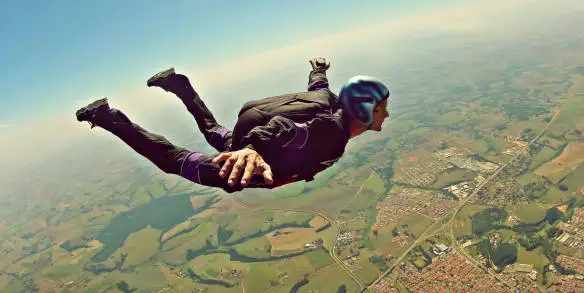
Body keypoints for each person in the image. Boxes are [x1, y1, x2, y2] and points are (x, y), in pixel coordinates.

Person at [75, 58, 390, 193]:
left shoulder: (330, 103)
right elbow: (285, 129)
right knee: (173, 160)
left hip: (245, 145)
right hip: (243, 164)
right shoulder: (332, 134)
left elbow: (317, 88)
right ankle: (106, 117)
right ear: (363, 109)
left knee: (213, 131)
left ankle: (180, 85)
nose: (385, 115)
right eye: (381, 108)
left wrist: (319, 69)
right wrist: (251, 151)